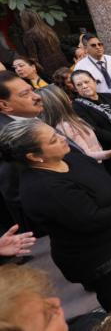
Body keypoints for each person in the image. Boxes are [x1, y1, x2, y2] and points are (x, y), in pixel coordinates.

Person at [0, 119, 111, 312]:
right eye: (53, 139)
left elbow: (99, 176)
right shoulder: (44, 188)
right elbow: (90, 219)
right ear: (34, 156)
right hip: (94, 254)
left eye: (56, 133)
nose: (63, 138)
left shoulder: (66, 156)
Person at [37, 84, 111, 161]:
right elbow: (86, 154)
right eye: (64, 96)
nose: (69, 98)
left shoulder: (71, 117)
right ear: (59, 103)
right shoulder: (65, 126)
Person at [0, 71, 44, 233]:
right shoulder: (10, 137)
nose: (36, 96)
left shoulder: (25, 116)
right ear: (4, 105)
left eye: (31, 89)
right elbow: (12, 189)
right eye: (26, 94)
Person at [20, 9, 68, 78]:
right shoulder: (47, 29)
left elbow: (33, 57)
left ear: (25, 20)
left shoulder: (29, 35)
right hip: (62, 62)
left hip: (48, 68)